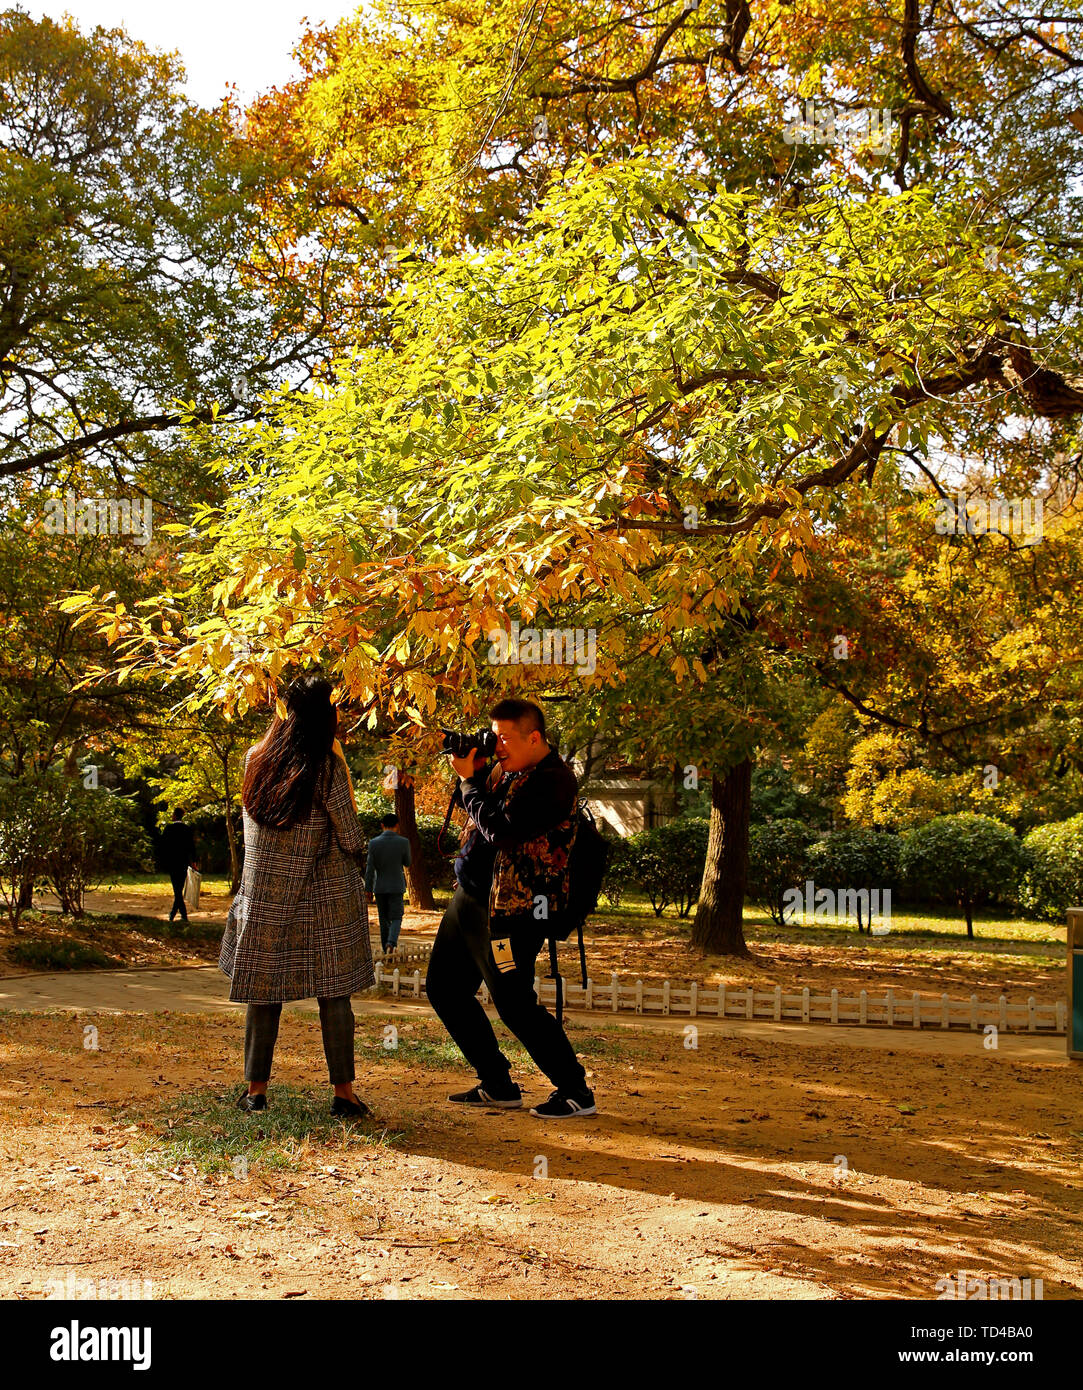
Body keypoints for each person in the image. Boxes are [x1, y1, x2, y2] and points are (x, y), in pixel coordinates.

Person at [426, 697, 597, 1119]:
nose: (497, 745)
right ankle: (497, 1083)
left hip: (512, 912)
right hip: (469, 897)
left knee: (514, 1001)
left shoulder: (553, 781)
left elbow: (503, 830)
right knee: (445, 990)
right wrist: (477, 769)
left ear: (534, 737)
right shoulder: (509, 770)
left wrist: (469, 783)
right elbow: (479, 810)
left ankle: (575, 1090)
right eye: (494, 736)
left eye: (504, 738)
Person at [219, 671, 373, 1119]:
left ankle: (255, 1092)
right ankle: (343, 1096)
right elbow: (349, 836)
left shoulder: (255, 758)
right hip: (325, 899)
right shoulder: (327, 765)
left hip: (265, 897)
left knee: (263, 993)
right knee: (334, 993)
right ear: (326, 714)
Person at [364, 813, 412, 951]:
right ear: (397, 825)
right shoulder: (403, 842)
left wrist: (368, 888)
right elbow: (407, 862)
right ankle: (391, 942)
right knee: (396, 917)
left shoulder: (373, 843)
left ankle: (386, 949)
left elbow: (370, 868)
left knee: (383, 920)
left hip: (380, 887)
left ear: (382, 825)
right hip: (396, 885)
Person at [160, 808, 196, 924]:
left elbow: (163, 846)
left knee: (177, 890)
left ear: (175, 816)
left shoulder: (169, 829)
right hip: (183, 862)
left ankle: (180, 915)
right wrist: (194, 861)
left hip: (172, 862)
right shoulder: (187, 830)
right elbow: (192, 847)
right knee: (178, 889)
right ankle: (175, 914)